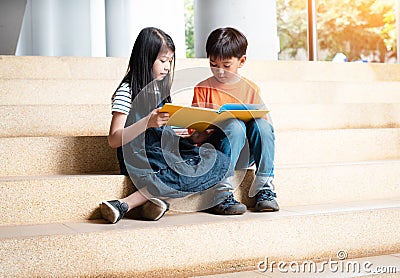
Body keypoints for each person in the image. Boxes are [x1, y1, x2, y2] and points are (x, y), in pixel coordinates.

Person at [100, 27, 230, 224]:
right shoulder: (127, 91)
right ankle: (125, 204)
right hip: (140, 157)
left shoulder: (159, 90)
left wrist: (194, 136)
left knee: (218, 161)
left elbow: (163, 131)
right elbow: (114, 139)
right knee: (187, 171)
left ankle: (158, 201)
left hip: (163, 153)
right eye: (162, 61)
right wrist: (147, 123)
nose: (167, 67)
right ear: (145, 58)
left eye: (170, 61)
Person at [192, 27, 279, 215]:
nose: (220, 71)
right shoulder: (203, 88)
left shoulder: (250, 88)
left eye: (226, 65)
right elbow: (195, 135)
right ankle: (221, 193)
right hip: (216, 153)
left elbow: (261, 128)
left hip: (245, 152)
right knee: (234, 125)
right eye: (213, 64)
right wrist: (202, 132)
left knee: (263, 125)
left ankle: (265, 188)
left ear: (241, 61)